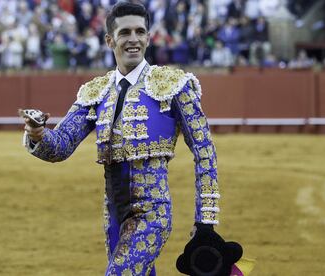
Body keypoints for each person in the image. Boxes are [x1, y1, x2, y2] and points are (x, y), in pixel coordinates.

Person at [22, 2, 241, 275]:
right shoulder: (96, 91)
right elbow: (62, 145)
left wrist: (206, 221)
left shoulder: (173, 85)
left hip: (152, 215)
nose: (134, 39)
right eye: (125, 32)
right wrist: (39, 134)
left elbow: (204, 150)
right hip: (113, 214)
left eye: (140, 31)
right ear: (109, 40)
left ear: (149, 37)